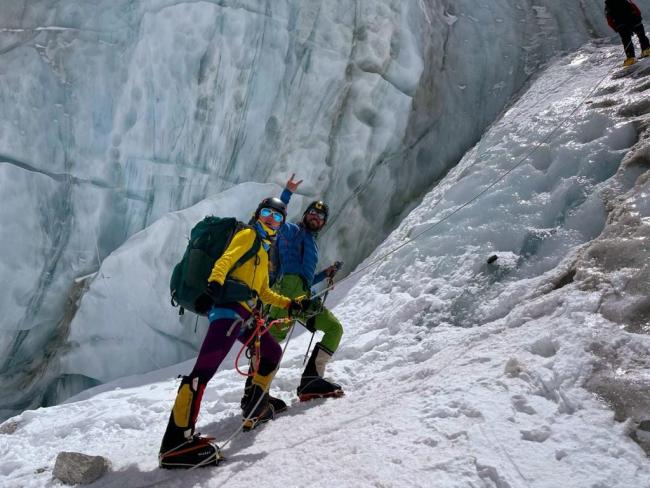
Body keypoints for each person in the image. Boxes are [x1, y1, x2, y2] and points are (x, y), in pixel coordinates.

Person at [159, 197, 314, 468]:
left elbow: (264, 292)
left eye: (277, 217)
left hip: (245, 315)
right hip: (229, 311)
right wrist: (215, 284)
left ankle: (256, 405)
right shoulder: (248, 235)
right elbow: (225, 261)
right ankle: (175, 443)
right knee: (203, 370)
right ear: (258, 214)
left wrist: (291, 304)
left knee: (271, 351)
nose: (271, 219)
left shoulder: (264, 252)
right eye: (267, 213)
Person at [243, 175, 345, 404]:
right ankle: (255, 395)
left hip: (303, 298)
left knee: (333, 328)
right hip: (284, 294)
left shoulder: (313, 244)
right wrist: (287, 192)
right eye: (312, 213)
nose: (315, 217)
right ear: (306, 214)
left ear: (323, 223)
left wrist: (324, 273)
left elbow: (304, 279)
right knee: (269, 343)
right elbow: (276, 215)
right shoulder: (290, 230)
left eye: (320, 216)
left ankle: (312, 380)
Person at [605, 0, 650, 66]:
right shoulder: (625, 1)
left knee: (626, 41)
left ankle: (631, 57)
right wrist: (639, 18)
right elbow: (635, 8)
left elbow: (609, 21)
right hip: (634, 20)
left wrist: (616, 29)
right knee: (641, 35)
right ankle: (646, 50)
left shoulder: (608, 6)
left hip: (622, 25)